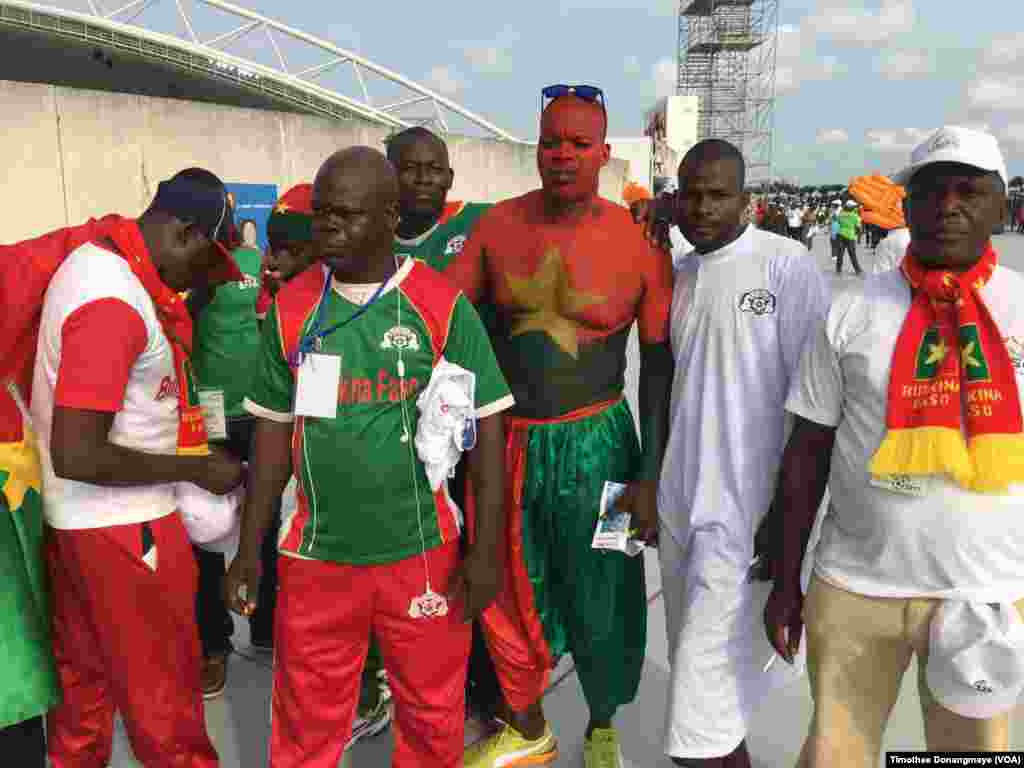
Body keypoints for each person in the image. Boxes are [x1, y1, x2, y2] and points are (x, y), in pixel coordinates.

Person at [225, 147, 513, 767]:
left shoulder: (440, 305)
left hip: (420, 554)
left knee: (433, 719)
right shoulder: (292, 309)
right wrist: (249, 548)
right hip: (315, 557)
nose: (326, 227)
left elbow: (488, 428)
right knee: (306, 721)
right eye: (322, 213)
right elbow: (271, 434)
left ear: (389, 217)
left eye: (346, 215)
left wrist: (486, 550)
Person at [766, 126, 1024, 765]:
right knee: (838, 752)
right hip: (857, 586)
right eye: (932, 192)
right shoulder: (851, 310)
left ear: (1001, 205)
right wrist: (784, 578)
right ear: (906, 209)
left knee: (969, 756)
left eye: (970, 191)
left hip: (985, 589)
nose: (949, 207)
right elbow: (808, 451)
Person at [449, 86, 673, 768]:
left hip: (602, 446)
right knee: (509, 591)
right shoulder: (495, 228)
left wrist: (651, 474)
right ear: (537, 147)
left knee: (605, 588)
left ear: (605, 153)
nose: (564, 155)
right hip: (509, 443)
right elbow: (444, 319)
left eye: (580, 144)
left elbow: (659, 367)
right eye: (552, 142)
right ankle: (526, 723)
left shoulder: (637, 245)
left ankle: (602, 721)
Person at [29, 168, 247, 767]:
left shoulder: (98, 268)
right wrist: (195, 469)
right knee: (167, 706)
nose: (199, 287)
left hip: (81, 529)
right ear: (187, 234)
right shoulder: (113, 303)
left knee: (84, 697)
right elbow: (79, 451)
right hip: (128, 534)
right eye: (206, 268)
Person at [658, 140, 828, 768]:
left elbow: (817, 410)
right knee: (707, 694)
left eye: (717, 194)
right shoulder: (680, 273)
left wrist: (788, 533)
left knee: (697, 725)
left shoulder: (785, 265)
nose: (702, 207)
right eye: (691, 194)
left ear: (745, 200)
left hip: (747, 523)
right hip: (681, 511)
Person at [385, 125, 506, 727]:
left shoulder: (477, 225)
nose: (424, 179)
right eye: (410, 168)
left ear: (451, 178)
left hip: (467, 435)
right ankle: (410, 675)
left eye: (435, 169)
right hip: (397, 437)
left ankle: (485, 683)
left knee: (474, 555)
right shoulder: (368, 243)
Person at [835, 200, 862, 275]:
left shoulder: (841, 214)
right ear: (852, 208)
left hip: (840, 235)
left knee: (840, 254)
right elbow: (859, 228)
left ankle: (838, 270)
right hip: (850, 236)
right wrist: (859, 238)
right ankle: (858, 270)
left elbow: (839, 222)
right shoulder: (855, 216)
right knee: (852, 254)